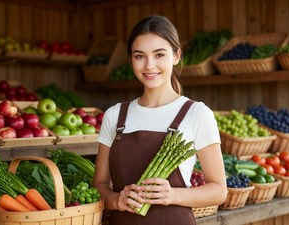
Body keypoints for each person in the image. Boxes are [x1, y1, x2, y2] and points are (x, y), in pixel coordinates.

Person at [93, 15, 227, 225]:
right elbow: (99, 184)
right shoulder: (115, 115)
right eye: (139, 56)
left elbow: (219, 191)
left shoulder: (196, 113)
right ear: (131, 60)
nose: (149, 65)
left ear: (176, 56)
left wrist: (172, 195)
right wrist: (115, 200)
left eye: (159, 55)